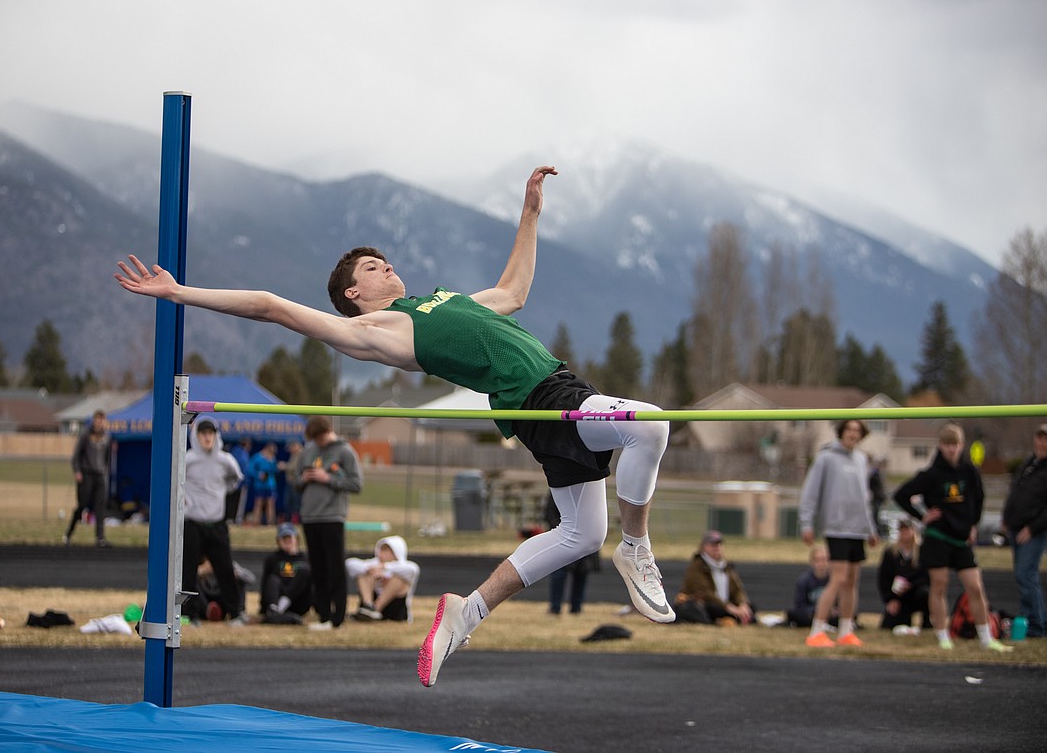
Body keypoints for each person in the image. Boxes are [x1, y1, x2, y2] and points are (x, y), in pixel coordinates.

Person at [116, 166, 674, 690]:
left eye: (383, 260)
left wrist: (529, 214)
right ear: (353, 296)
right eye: (370, 267)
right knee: (648, 426)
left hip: (553, 395)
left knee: (580, 534)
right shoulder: (376, 330)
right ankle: (636, 545)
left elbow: (512, 294)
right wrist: (178, 293)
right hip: (546, 399)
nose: (384, 265)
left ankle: (468, 611)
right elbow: (269, 306)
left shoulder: (439, 302)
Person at [893, 423, 1011, 652]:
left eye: (955, 444)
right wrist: (923, 516)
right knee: (939, 586)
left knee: (975, 587)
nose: (951, 449)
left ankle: (987, 637)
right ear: (940, 446)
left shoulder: (969, 471)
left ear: (962, 445)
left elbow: (979, 499)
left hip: (961, 539)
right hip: (938, 537)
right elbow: (901, 494)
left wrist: (973, 525)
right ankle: (942, 635)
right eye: (947, 445)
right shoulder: (931, 474)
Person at [798, 419, 880, 647]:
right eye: (849, 429)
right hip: (836, 527)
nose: (853, 434)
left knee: (852, 580)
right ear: (841, 432)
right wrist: (806, 522)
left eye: (857, 430)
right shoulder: (826, 458)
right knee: (838, 578)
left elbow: (865, 499)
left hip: (857, 530)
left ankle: (846, 629)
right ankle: (817, 630)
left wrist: (870, 529)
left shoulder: (862, 459)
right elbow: (810, 491)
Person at [291, 415, 363, 631]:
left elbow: (356, 484)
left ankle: (338, 617)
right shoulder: (307, 452)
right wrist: (304, 478)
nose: (318, 444)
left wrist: (327, 478)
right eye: (315, 440)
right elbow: (294, 482)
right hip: (310, 517)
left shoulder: (345, 452)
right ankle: (323, 615)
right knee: (318, 567)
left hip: (332, 517)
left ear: (328, 432)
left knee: (335, 567)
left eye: (320, 439)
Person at [182, 416, 246, 624]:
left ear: (216, 435)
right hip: (193, 524)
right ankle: (189, 614)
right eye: (203, 434)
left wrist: (222, 498)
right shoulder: (187, 459)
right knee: (188, 570)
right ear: (196, 436)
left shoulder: (225, 460)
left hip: (216, 524)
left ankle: (235, 613)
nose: (207, 438)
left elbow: (236, 480)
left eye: (211, 434)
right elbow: (175, 482)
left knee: (225, 568)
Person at [1001, 424, 1047, 639]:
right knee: (1023, 577)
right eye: (1039, 438)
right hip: (1016, 528)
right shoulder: (1030, 463)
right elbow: (1017, 493)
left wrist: (1032, 528)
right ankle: (1033, 621)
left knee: (1026, 574)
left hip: (1035, 531)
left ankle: (1037, 626)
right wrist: (1006, 519)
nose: (1041, 443)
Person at [677, 531, 755, 625]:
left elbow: (737, 589)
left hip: (724, 605)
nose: (717, 548)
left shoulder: (726, 567)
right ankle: (722, 620)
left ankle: (735, 618)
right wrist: (728, 607)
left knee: (752, 608)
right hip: (708, 604)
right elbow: (704, 593)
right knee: (696, 609)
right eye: (713, 545)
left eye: (719, 544)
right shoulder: (697, 566)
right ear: (703, 547)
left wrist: (743, 604)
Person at [543, 495, 600, 615]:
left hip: (585, 538)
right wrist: (562, 533)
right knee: (559, 574)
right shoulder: (559, 488)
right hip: (562, 538)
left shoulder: (592, 490)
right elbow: (550, 513)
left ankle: (576, 608)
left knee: (581, 574)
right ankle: (555, 608)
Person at [65, 409, 112, 547]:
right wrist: (77, 472)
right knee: (82, 505)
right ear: (94, 421)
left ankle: (100, 538)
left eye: (102, 420)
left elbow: (107, 457)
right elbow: (76, 457)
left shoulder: (107, 437)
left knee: (100, 507)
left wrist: (105, 471)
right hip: (86, 475)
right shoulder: (85, 435)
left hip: (100, 475)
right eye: (98, 420)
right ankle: (68, 533)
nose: (100, 423)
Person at [346, 535, 420, 622]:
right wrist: (369, 570)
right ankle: (368, 606)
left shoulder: (403, 566)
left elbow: (413, 569)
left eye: (386, 551)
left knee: (399, 579)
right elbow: (349, 563)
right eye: (381, 549)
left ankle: (376, 609)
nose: (381, 553)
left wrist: (384, 568)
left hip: (395, 610)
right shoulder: (374, 563)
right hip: (372, 600)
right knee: (364, 574)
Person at [876, 519, 931, 631]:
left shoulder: (922, 551)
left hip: (917, 592)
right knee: (888, 626)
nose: (904, 533)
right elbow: (883, 578)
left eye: (907, 530)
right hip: (898, 595)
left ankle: (927, 621)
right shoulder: (891, 552)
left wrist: (911, 585)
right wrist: (890, 599)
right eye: (902, 530)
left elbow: (927, 576)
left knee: (925, 594)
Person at [259, 523, 313, 625]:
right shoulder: (272, 559)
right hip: (277, 596)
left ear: (296, 539)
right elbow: (265, 583)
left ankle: (277, 613)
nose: (287, 541)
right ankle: (274, 611)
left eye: (289, 538)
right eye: (284, 538)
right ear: (278, 541)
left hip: (298, 602)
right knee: (273, 579)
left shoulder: (306, 559)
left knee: (304, 571)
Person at [786, 545, 836, 628]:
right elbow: (799, 605)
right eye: (817, 560)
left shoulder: (834, 580)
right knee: (792, 614)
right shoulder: (804, 580)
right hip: (810, 613)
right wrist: (815, 611)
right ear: (812, 562)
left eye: (824, 559)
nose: (821, 563)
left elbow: (840, 601)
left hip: (830, 614)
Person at [246, 442, 279, 526]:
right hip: (259, 485)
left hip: (271, 485)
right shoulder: (257, 457)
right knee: (258, 503)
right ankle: (256, 521)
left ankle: (270, 522)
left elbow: (275, 471)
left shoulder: (272, 458)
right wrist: (258, 475)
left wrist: (272, 462)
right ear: (266, 449)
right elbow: (250, 469)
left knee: (270, 503)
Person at [227, 437, 252, 525]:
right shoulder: (243, 454)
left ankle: (229, 518)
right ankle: (237, 519)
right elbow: (244, 469)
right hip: (240, 483)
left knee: (230, 500)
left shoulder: (233, 452)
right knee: (239, 502)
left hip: (231, 482)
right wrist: (245, 481)